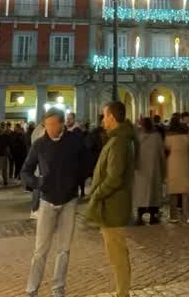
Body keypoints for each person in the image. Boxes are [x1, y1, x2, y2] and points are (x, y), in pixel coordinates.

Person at [21, 108, 89, 297]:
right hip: (47, 200)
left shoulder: (75, 141)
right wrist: (37, 183)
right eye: (46, 125)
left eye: (52, 125)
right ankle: (31, 289)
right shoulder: (40, 144)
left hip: (69, 200)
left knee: (64, 249)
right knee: (40, 250)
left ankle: (58, 288)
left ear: (61, 124)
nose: (49, 128)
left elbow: (86, 163)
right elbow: (25, 170)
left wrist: (76, 180)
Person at [86, 102, 135, 297]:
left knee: (117, 253)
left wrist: (97, 193)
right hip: (113, 203)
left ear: (112, 118)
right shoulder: (117, 140)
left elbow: (115, 177)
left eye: (104, 116)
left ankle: (122, 292)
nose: (102, 119)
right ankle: (121, 291)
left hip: (113, 205)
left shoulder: (118, 142)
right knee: (116, 252)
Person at [132, 116, 166, 224]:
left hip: (140, 169)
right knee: (153, 192)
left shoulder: (137, 137)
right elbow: (162, 154)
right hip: (154, 169)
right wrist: (163, 168)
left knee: (141, 193)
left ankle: (140, 215)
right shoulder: (157, 137)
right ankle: (153, 215)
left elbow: (133, 153)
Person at [163, 116, 189, 223]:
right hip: (184, 163)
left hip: (172, 164)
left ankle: (173, 216)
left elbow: (166, 148)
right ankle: (187, 216)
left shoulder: (168, 135)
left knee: (173, 191)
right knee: (185, 191)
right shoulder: (187, 134)